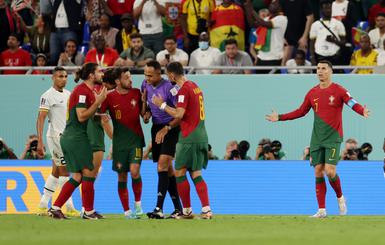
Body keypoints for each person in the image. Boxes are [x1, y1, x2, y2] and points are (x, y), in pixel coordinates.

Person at [265, 60, 370, 218]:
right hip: (317, 139)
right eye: (318, 69)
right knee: (318, 171)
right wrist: (279, 117)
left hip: (333, 137)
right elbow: (300, 111)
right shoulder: (312, 93)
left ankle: (340, 198)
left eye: (323, 68)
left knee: (330, 170)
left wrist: (362, 111)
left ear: (330, 71)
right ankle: (321, 210)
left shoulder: (339, 90)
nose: (320, 71)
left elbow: (351, 102)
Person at [152, 62, 212, 219]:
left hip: (189, 137)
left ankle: (186, 211)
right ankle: (206, 210)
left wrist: (162, 105)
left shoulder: (184, 90)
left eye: (167, 75)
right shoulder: (194, 86)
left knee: (179, 172)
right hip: (201, 135)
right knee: (196, 173)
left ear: (172, 75)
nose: (167, 78)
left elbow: (178, 114)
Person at [48, 63, 108, 219]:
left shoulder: (84, 91)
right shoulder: (82, 91)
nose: (102, 74)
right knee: (88, 172)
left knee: (77, 177)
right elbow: (81, 116)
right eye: (99, 71)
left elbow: (83, 114)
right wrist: (98, 101)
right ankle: (88, 211)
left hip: (71, 137)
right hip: (75, 137)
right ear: (91, 75)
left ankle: (55, 207)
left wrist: (99, 113)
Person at [100, 68, 145, 218]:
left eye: (130, 77)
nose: (130, 80)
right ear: (118, 81)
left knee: (134, 171)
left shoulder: (137, 93)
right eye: (126, 77)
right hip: (119, 143)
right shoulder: (109, 97)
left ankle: (138, 206)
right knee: (122, 176)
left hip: (136, 140)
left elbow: (144, 115)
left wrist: (145, 108)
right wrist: (103, 118)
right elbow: (100, 113)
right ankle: (127, 211)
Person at [141, 61, 183, 219]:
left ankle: (158, 208)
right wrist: (145, 108)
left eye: (150, 75)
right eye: (145, 75)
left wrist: (168, 128)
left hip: (171, 128)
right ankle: (178, 208)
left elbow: (179, 115)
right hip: (156, 128)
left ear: (160, 74)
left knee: (162, 165)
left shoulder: (171, 88)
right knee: (168, 169)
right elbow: (145, 115)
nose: (147, 78)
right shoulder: (145, 85)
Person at [35, 66, 78, 216]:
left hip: (68, 138)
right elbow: (41, 119)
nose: (63, 79)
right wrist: (40, 141)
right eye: (60, 76)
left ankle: (42, 205)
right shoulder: (47, 95)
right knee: (65, 172)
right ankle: (69, 206)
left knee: (56, 172)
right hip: (55, 137)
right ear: (53, 78)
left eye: (65, 76)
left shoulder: (69, 94)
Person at [309, 0, 346, 66]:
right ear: (321, 9)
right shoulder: (315, 24)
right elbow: (312, 43)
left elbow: (343, 42)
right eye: (326, 8)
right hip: (319, 56)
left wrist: (333, 41)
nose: (328, 10)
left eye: (329, 8)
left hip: (335, 57)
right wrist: (312, 57)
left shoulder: (338, 23)